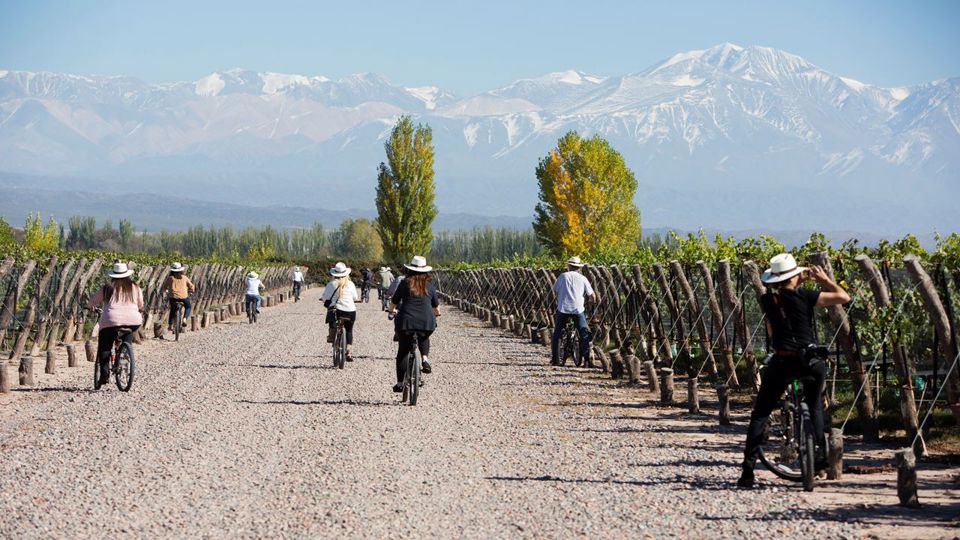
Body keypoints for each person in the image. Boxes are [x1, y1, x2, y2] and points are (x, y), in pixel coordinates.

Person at [737, 253, 850, 489]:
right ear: (796, 275)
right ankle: (819, 459)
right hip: (810, 360)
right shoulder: (807, 296)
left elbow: (771, 330)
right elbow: (843, 297)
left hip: (782, 362)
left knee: (760, 413)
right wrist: (824, 279)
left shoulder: (768, 300)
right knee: (815, 404)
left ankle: (747, 471)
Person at [86, 261, 144, 386]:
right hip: (133, 321)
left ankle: (104, 375)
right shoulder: (135, 287)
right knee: (127, 337)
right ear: (127, 275)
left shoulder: (107, 288)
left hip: (110, 321)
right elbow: (141, 305)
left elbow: (92, 300)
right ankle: (125, 354)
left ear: (113, 275)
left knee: (105, 347)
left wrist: (89, 306)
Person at [389, 256, 440, 392]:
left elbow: (394, 302)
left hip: (406, 322)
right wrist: (437, 314)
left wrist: (392, 310)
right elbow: (436, 307)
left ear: (410, 270)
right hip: (426, 322)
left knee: (403, 352)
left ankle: (400, 383)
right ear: (425, 272)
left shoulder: (405, 283)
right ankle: (424, 359)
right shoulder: (429, 286)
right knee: (424, 336)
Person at [550, 256, 597, 366]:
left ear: (569, 266)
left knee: (557, 332)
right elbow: (592, 296)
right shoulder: (583, 278)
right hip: (578, 309)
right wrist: (591, 304)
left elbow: (555, 290)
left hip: (563, 308)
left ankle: (555, 358)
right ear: (578, 267)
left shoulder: (563, 276)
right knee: (583, 332)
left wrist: (558, 299)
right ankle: (586, 359)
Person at [322, 262, 361, 361]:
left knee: (332, 317)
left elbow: (325, 298)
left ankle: (332, 336)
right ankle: (349, 350)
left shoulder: (331, 284)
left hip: (337, 311)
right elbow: (355, 297)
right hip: (350, 311)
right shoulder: (351, 284)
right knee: (349, 330)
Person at [161, 262, 194, 331]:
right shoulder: (184, 278)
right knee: (188, 307)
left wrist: (166, 291)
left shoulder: (170, 278)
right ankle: (185, 318)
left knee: (173, 310)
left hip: (173, 297)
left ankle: (170, 325)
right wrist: (191, 291)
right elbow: (191, 286)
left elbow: (164, 287)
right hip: (184, 297)